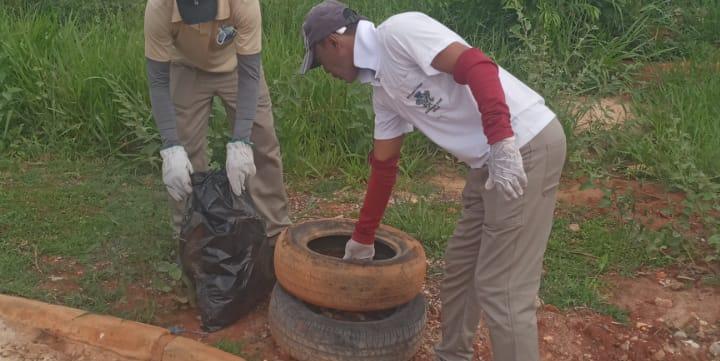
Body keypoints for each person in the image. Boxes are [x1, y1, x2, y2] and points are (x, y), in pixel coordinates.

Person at [299, 1, 566, 361]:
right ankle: (452, 355)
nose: (323, 71)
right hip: (486, 161)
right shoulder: (384, 93)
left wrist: (502, 141)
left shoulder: (399, 33)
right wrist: (362, 238)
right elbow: (384, 167)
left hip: (525, 145)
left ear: (333, 42)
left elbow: (476, 65)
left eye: (318, 61)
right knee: (460, 271)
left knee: (502, 288)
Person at [143, 0, 291, 244]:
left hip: (237, 67)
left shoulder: (243, 3)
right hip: (186, 68)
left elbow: (250, 72)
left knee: (261, 139)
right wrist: (170, 146)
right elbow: (158, 81)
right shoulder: (159, 8)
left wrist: (242, 140)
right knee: (184, 154)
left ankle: (276, 232)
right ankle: (190, 238)